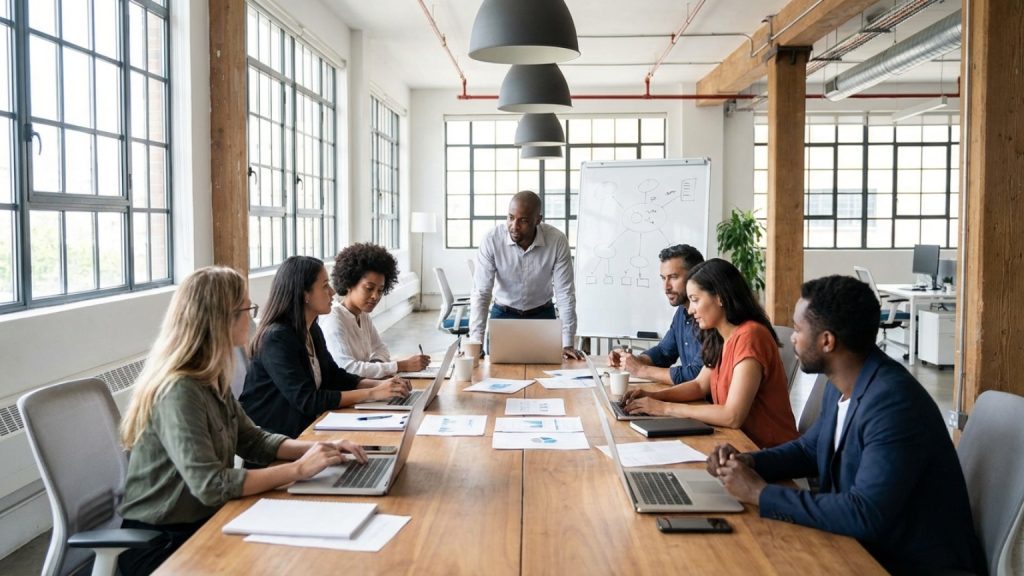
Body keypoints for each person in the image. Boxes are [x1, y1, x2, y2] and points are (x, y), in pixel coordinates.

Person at [707, 275, 984, 575]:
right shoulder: (843, 383)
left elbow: (865, 513)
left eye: (798, 329)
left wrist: (759, 493)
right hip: (861, 547)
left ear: (827, 341)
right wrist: (747, 462)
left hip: (905, 564)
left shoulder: (893, 404)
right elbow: (809, 450)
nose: (793, 338)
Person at [117, 266, 369, 575]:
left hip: (204, 521)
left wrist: (321, 447)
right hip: (163, 543)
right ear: (220, 318)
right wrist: (298, 470)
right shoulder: (179, 390)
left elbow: (252, 440)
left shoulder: (209, 378)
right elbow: (212, 485)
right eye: (246, 309)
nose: (251, 318)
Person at [621, 258, 797, 448]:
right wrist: (654, 397)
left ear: (720, 297)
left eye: (695, 300)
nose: (691, 310)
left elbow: (732, 416)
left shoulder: (751, 336)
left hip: (766, 452)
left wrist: (665, 408)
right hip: (735, 444)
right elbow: (699, 385)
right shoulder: (721, 337)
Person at [240, 256, 410, 439]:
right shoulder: (276, 338)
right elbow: (307, 400)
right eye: (325, 285)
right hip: (280, 441)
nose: (333, 291)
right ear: (305, 294)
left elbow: (334, 376)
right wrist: (372, 393)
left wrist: (383, 385)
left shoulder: (311, 328)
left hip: (309, 428)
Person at [470, 191, 584, 359]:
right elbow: (481, 293)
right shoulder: (492, 240)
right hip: (503, 315)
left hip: (543, 316)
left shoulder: (557, 240)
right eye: (510, 217)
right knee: (498, 374)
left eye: (523, 220)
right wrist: (475, 342)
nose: (514, 226)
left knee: (547, 374)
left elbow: (565, 293)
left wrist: (567, 342)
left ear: (538, 220)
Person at [320, 243, 430, 378]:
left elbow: (381, 350)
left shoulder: (362, 315)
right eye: (369, 288)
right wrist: (401, 366)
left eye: (380, 290)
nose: (375, 296)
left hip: (366, 387)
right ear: (349, 283)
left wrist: (373, 368)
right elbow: (347, 369)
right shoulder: (334, 318)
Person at [607, 244, 704, 384]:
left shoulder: (709, 317)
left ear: (695, 276)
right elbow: (664, 352)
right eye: (663, 278)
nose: (666, 287)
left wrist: (641, 370)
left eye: (673, 277)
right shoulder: (681, 312)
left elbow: (696, 374)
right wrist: (632, 361)